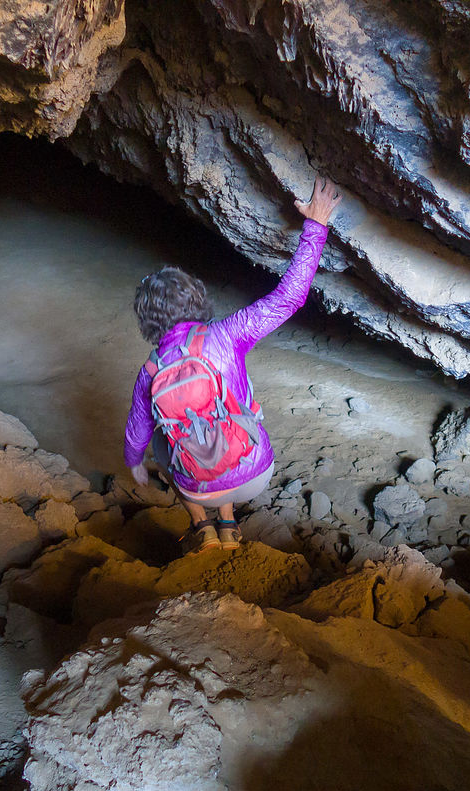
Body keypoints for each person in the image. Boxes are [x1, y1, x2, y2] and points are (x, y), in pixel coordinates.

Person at [124, 178, 343, 551]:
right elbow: (289, 297)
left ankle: (203, 528)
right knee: (225, 411)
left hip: (197, 486)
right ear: (195, 299)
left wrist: (134, 463)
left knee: (165, 439)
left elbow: (136, 431)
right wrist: (316, 225)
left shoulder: (151, 370)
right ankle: (230, 525)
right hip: (254, 474)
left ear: (149, 322)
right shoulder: (228, 335)